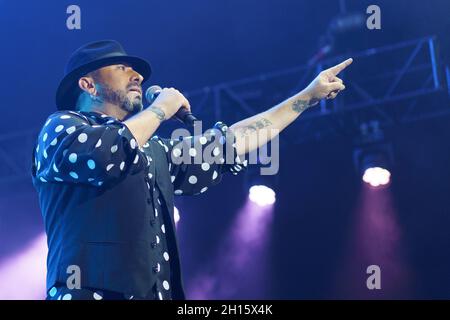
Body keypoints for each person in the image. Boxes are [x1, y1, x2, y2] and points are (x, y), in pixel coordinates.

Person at [31, 40, 352, 300]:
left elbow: (233, 141)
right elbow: (107, 154)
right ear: (88, 84)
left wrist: (306, 97)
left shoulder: (154, 151)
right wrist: (159, 110)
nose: (138, 76)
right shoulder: (62, 128)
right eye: (122, 67)